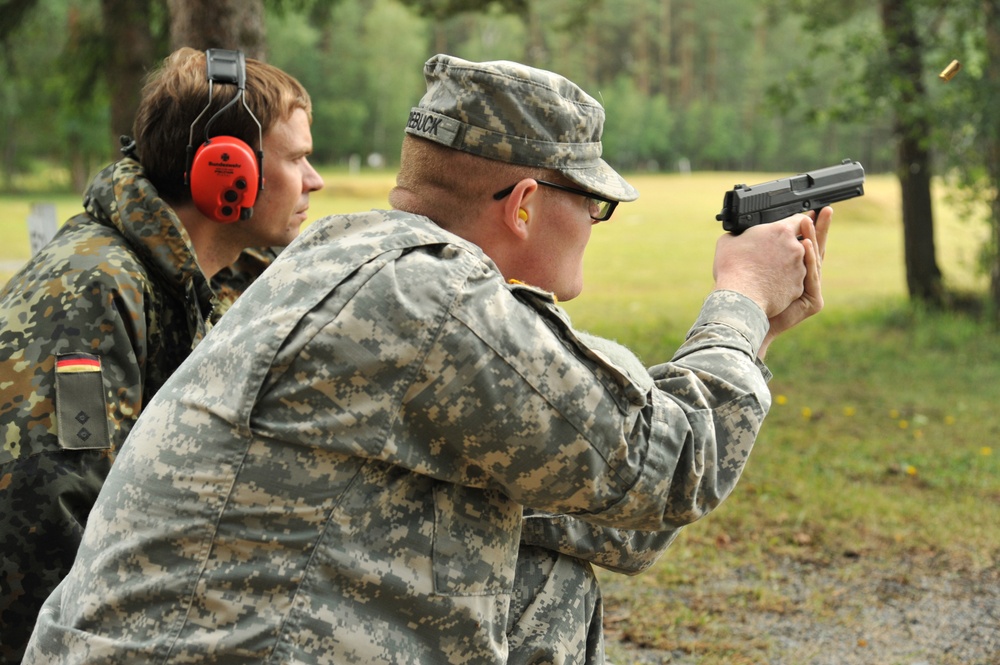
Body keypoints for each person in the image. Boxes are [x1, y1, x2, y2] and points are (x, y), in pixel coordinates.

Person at [23, 54, 830, 664]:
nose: (594, 220)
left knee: (543, 582)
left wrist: (752, 328)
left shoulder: (348, 262)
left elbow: (622, 517)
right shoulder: (428, 302)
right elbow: (669, 461)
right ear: (523, 203)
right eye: (594, 202)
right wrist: (741, 298)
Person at [0, 47, 324, 663]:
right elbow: (47, 513)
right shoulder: (91, 288)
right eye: (299, 159)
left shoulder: (217, 279)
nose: (314, 181)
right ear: (227, 172)